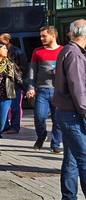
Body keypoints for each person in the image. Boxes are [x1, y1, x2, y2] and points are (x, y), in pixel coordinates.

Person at [53, 19, 86, 200]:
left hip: (66, 113)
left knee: (72, 158)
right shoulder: (74, 55)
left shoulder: (67, 51)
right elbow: (78, 88)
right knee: (83, 158)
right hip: (73, 114)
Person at [27, 25, 63, 154]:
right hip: (42, 90)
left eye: (44, 36)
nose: (41, 38)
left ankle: (55, 144)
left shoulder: (63, 51)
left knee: (57, 119)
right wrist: (31, 87)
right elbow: (32, 71)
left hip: (58, 91)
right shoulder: (38, 51)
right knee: (39, 117)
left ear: (53, 36)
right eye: (41, 36)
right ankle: (41, 136)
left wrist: (59, 73)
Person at [0, 33, 28, 135]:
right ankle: (5, 126)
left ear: (7, 41)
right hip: (4, 83)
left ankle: (15, 127)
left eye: (1, 40)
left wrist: (20, 80)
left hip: (15, 84)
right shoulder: (0, 52)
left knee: (15, 107)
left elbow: (24, 68)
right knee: (4, 106)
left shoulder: (17, 52)